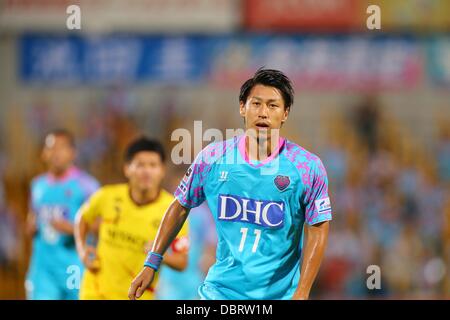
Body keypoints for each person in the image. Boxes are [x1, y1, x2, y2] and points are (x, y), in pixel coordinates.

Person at [128, 69, 332, 300]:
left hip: (279, 295)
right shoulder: (213, 158)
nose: (263, 113)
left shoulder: (307, 167)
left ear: (285, 113)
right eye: (256, 104)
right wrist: (152, 262)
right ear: (242, 107)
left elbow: (318, 226)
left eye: (273, 106)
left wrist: (303, 291)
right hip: (220, 292)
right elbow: (181, 204)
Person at [75, 137, 189, 299]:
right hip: (95, 291)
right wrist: (82, 249)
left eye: (153, 165)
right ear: (127, 168)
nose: (146, 171)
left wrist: (158, 254)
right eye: (140, 165)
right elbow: (82, 218)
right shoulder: (106, 196)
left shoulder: (173, 210)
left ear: (162, 170)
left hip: (136, 295)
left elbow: (182, 261)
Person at [26, 129, 99, 300]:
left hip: (74, 267)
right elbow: (32, 216)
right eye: (51, 148)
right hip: (43, 269)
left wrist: (74, 228)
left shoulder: (87, 185)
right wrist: (30, 227)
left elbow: (101, 225)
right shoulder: (37, 185)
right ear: (44, 153)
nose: (55, 153)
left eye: (61, 148)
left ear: (73, 153)